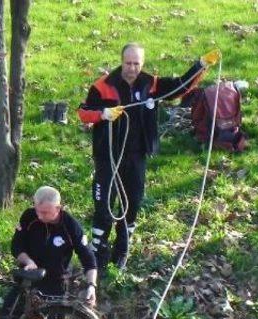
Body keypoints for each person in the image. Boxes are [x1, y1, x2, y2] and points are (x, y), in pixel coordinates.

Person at [78, 43, 221, 271]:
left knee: (132, 203)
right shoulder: (102, 86)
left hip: (137, 155)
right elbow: (83, 113)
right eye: (128, 63)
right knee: (103, 205)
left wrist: (200, 65)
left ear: (142, 63)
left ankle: (122, 249)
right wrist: (102, 114)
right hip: (108, 156)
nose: (132, 68)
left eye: (136, 63)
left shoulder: (150, 84)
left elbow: (179, 88)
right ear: (121, 60)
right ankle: (99, 251)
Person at [5, 185, 98, 315]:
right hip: (29, 275)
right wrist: (28, 261)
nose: (40, 216)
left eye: (45, 212)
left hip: (55, 280)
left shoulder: (71, 226)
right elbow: (16, 245)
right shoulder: (29, 216)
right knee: (8, 315)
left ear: (58, 208)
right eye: (38, 211)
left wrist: (91, 286)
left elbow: (88, 258)